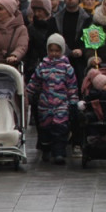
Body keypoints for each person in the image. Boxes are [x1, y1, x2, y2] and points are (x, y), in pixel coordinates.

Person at [26, 33, 79, 165]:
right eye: (51, 50)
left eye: (57, 50)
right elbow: (34, 82)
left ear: (62, 50)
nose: (54, 53)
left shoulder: (67, 68)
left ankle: (59, 152)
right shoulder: (43, 66)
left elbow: (72, 86)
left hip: (61, 104)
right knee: (45, 128)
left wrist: (73, 102)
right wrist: (27, 94)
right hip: (45, 104)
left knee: (60, 128)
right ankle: (46, 149)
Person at [54, 0, 92, 79]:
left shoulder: (88, 19)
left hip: (81, 62)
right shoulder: (56, 19)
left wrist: (82, 50)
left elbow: (92, 41)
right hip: (61, 60)